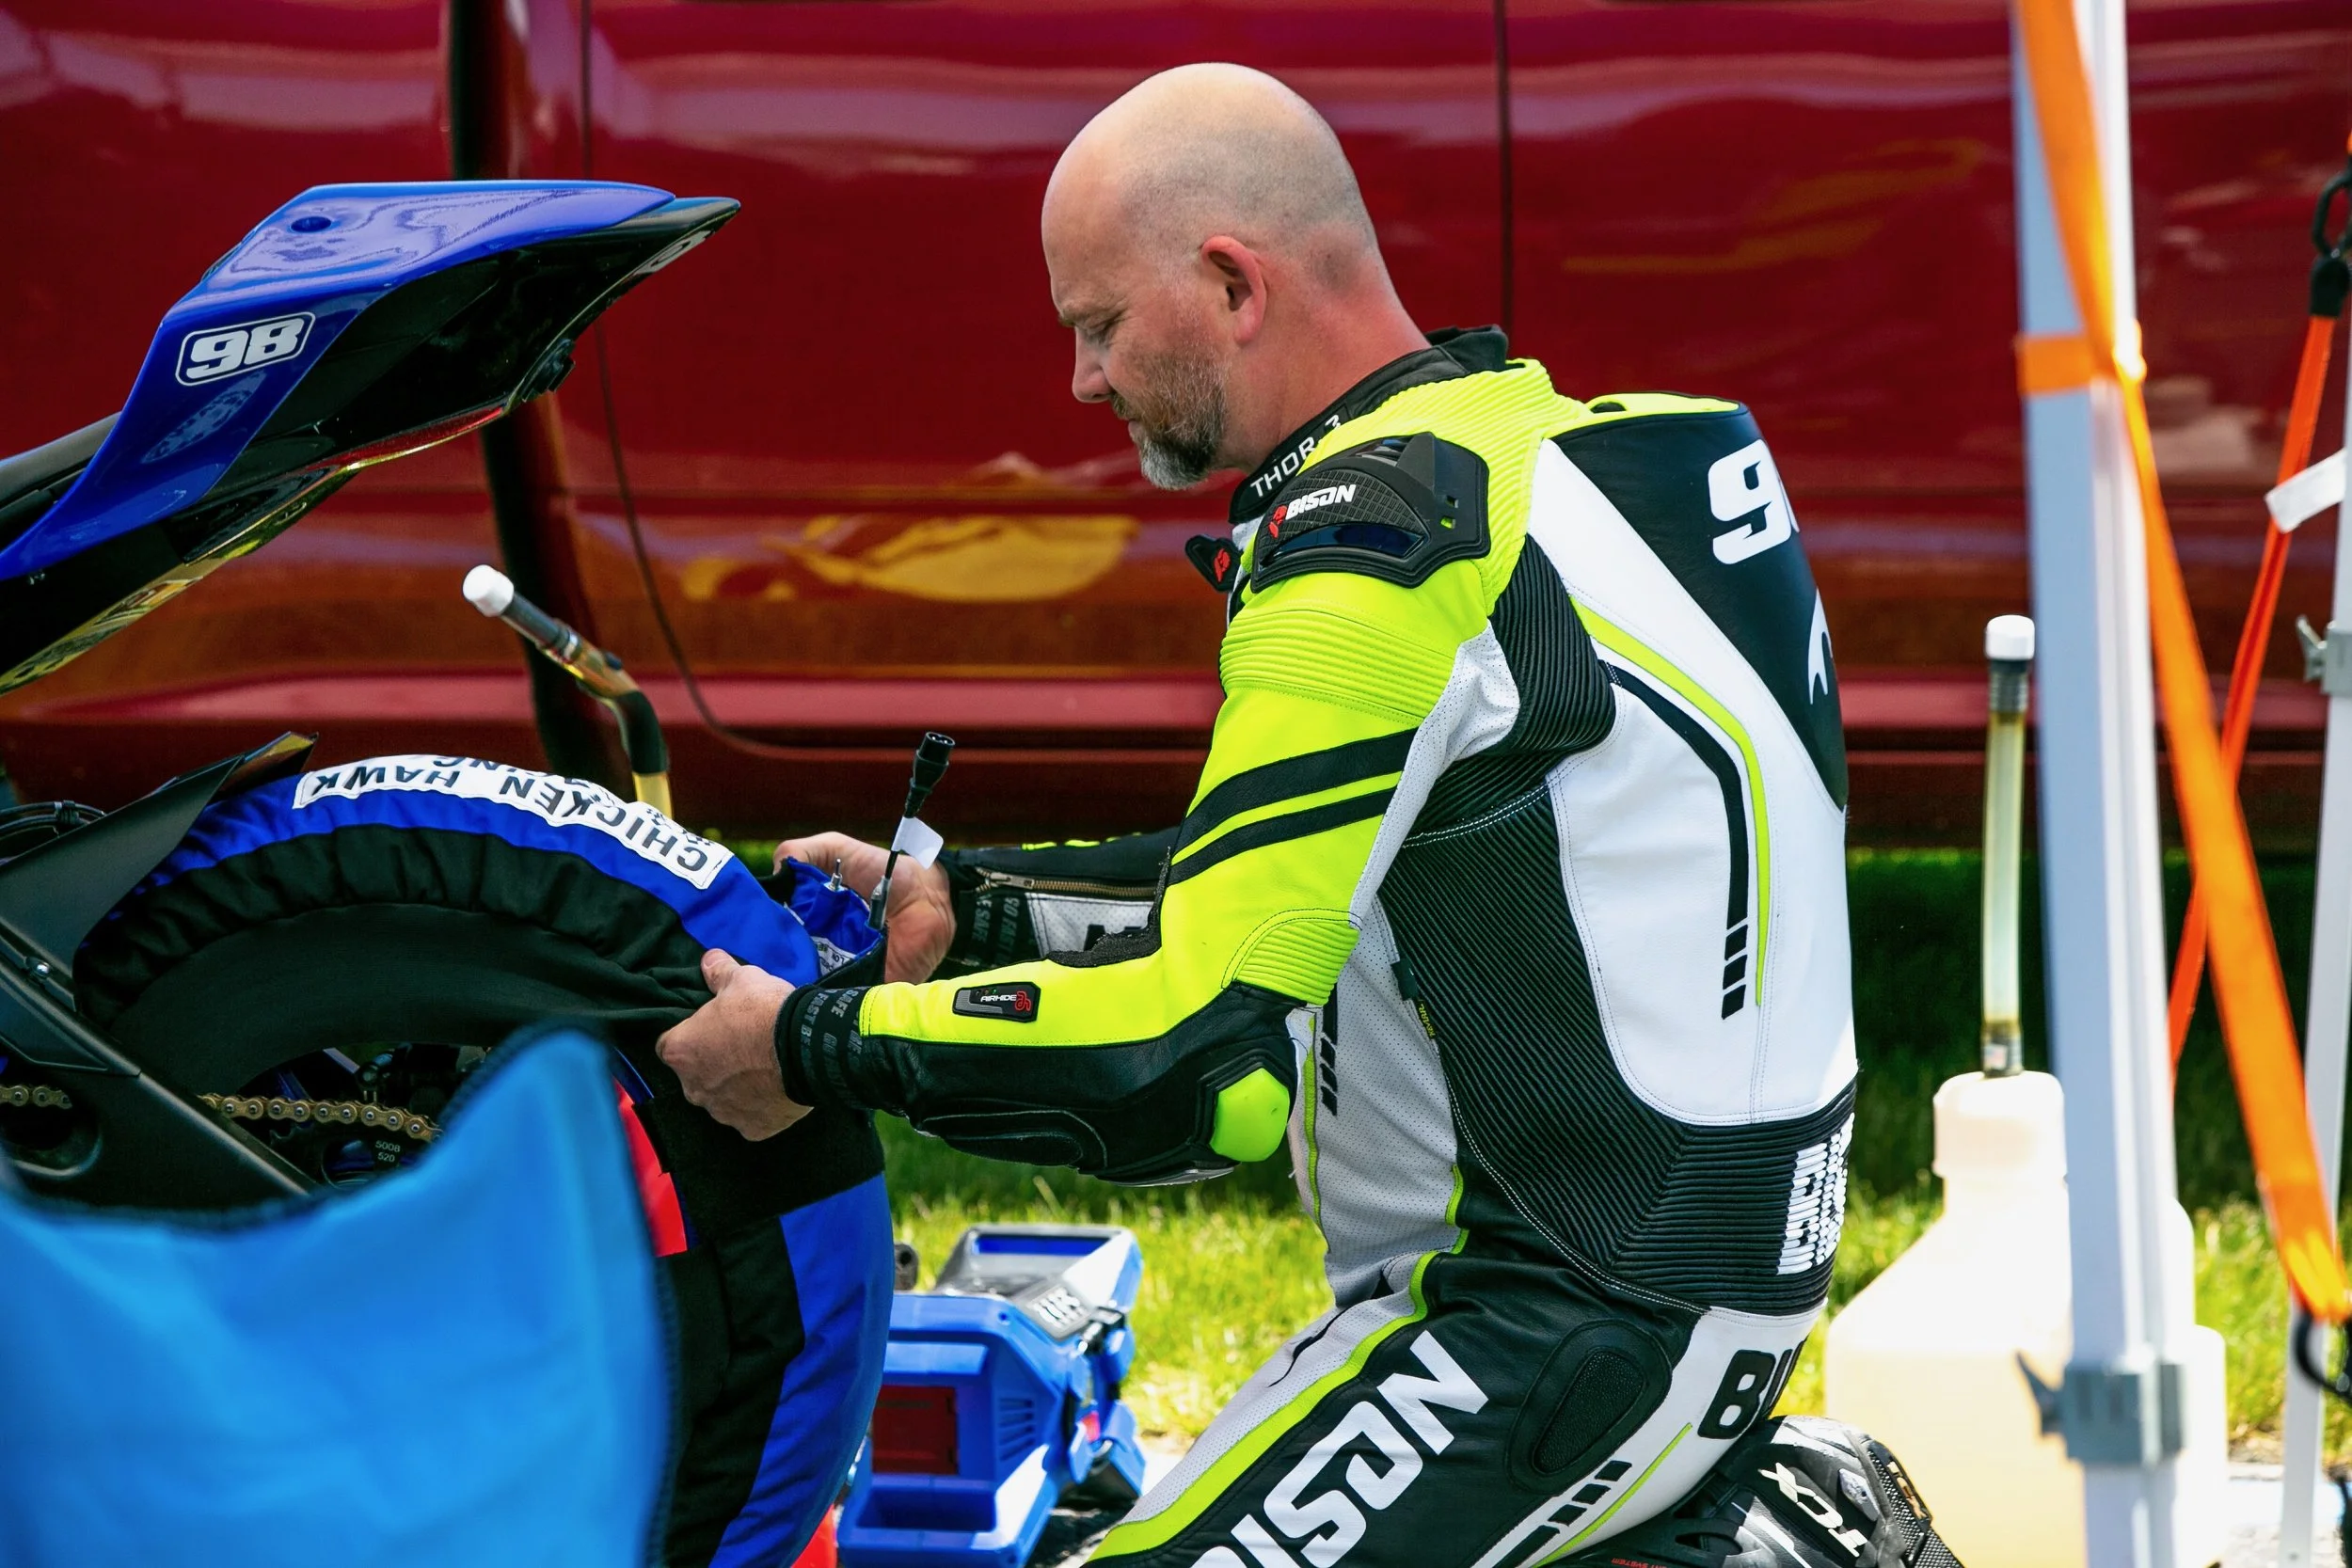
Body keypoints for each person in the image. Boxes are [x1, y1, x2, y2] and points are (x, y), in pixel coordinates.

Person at [659, 62, 1880, 1565]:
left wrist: (805, 1048)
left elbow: (1194, 1064)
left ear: (1233, 283)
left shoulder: (1379, 545)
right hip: (1690, 1281)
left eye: (1100, 325)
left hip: (1555, 1322)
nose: (1084, 382)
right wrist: (971, 906)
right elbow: (1342, 881)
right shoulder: (1581, 459)